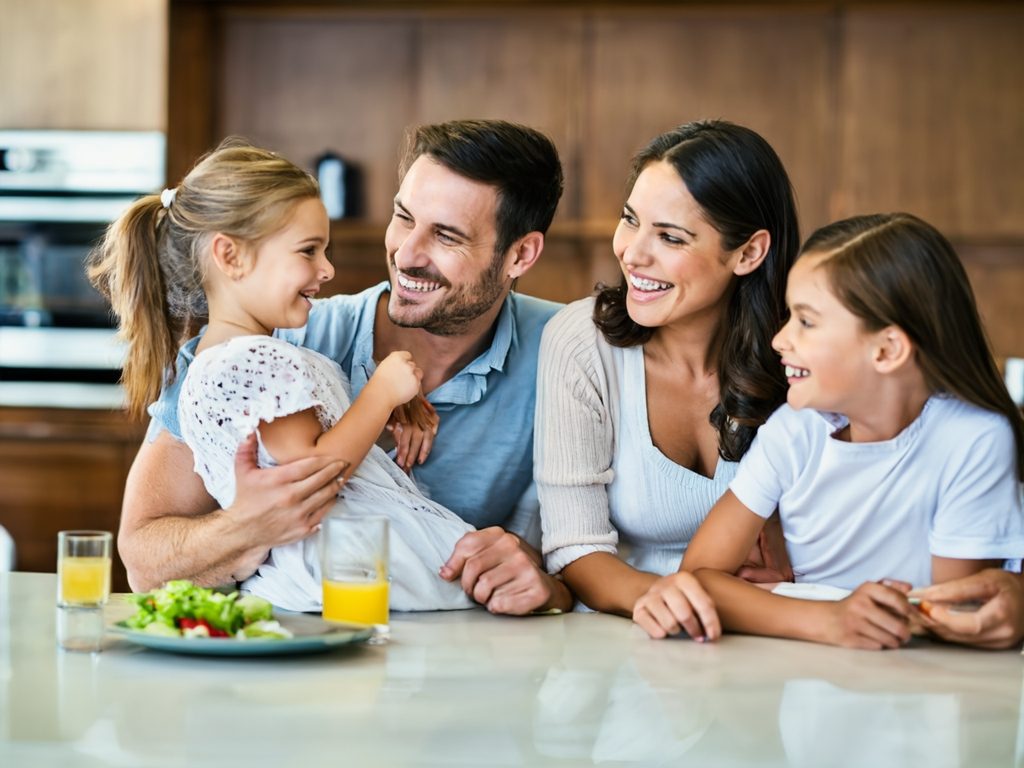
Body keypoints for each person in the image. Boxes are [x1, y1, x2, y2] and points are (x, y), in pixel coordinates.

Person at [115, 119, 569, 615]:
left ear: (520, 254)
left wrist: (547, 581)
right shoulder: (272, 343)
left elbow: (602, 558)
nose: (407, 253)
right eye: (403, 217)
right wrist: (248, 527)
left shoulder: (569, 353)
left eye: (447, 236)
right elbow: (145, 564)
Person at [634, 212, 1024, 649]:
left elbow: (948, 618)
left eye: (806, 321)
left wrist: (774, 601)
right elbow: (697, 578)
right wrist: (827, 618)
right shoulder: (794, 431)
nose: (780, 340)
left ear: (887, 349)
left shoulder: (972, 439)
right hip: (812, 681)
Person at [535, 120, 800, 616]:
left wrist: (792, 572)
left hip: (775, 627)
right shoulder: (581, 343)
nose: (632, 254)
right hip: (627, 636)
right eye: (630, 219)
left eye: (670, 238)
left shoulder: (799, 353)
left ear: (748, 252)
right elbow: (575, 550)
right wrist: (677, 598)